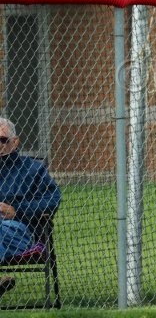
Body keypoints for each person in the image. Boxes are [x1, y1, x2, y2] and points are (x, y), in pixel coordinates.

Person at [0, 117, 61, 299]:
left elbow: (52, 200)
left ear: (15, 142)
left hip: (20, 231)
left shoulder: (33, 169)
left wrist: (16, 211)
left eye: (2, 140)